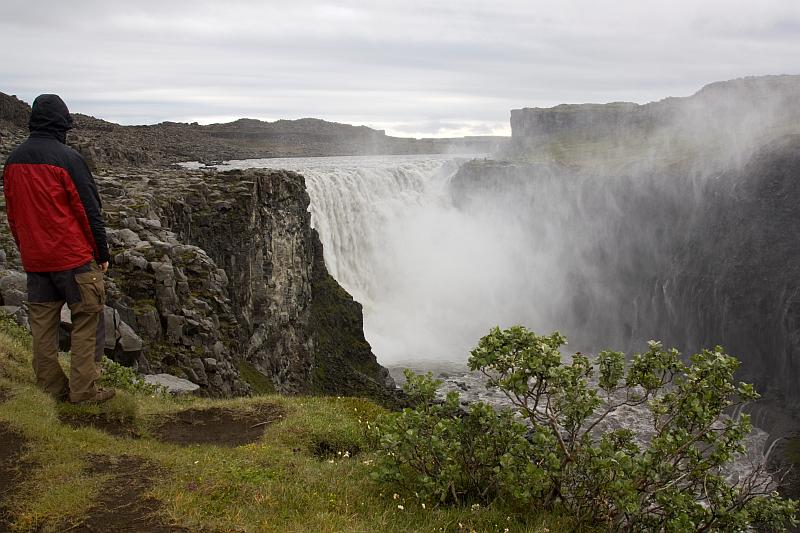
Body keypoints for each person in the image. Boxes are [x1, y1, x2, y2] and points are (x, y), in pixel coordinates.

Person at [2, 94, 115, 403]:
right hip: (73, 259)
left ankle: (52, 389)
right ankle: (84, 391)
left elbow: (13, 213)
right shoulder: (68, 159)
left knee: (42, 329)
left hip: (36, 261)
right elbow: (88, 210)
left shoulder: (13, 161)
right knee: (87, 320)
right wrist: (102, 254)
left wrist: (26, 247)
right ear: (62, 124)